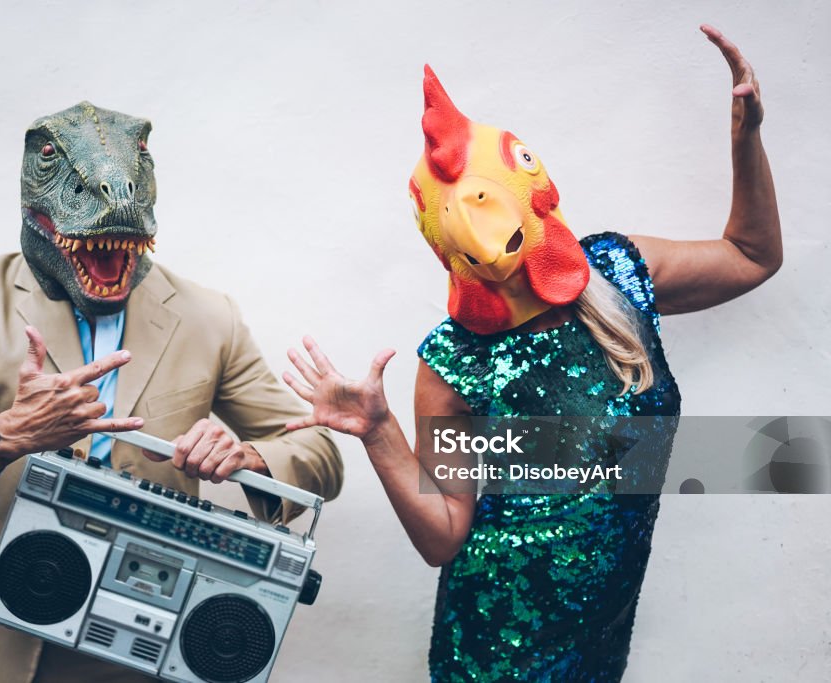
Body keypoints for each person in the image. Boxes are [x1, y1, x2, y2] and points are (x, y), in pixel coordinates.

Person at [282, 26, 779, 681]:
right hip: (496, 649)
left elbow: (751, 255)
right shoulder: (454, 360)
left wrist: (746, 138)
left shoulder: (621, 273)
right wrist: (378, 432)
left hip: (600, 642)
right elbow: (443, 533)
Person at [0, 101, 342, 683]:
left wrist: (252, 459)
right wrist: (8, 432)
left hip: (148, 638)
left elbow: (319, 450)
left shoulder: (209, 316)